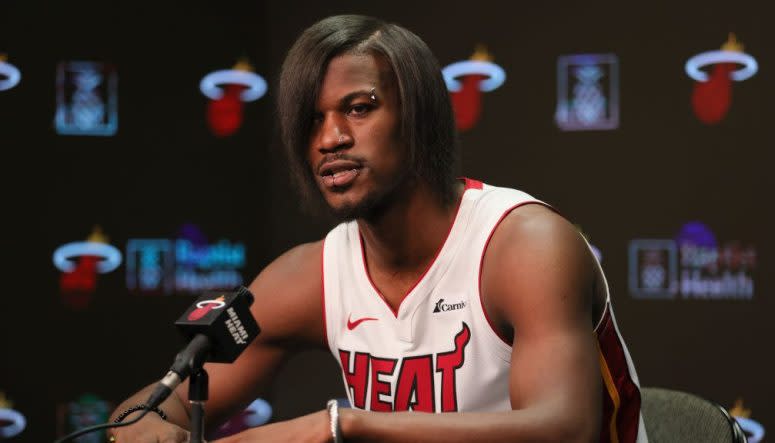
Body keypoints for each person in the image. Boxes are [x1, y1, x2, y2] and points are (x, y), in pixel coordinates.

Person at [109, 14, 648, 443]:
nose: (331, 138)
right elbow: (148, 407)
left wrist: (344, 425)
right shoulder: (315, 274)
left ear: (417, 117)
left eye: (359, 108)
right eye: (311, 121)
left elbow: (564, 428)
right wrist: (148, 426)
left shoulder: (521, 244)